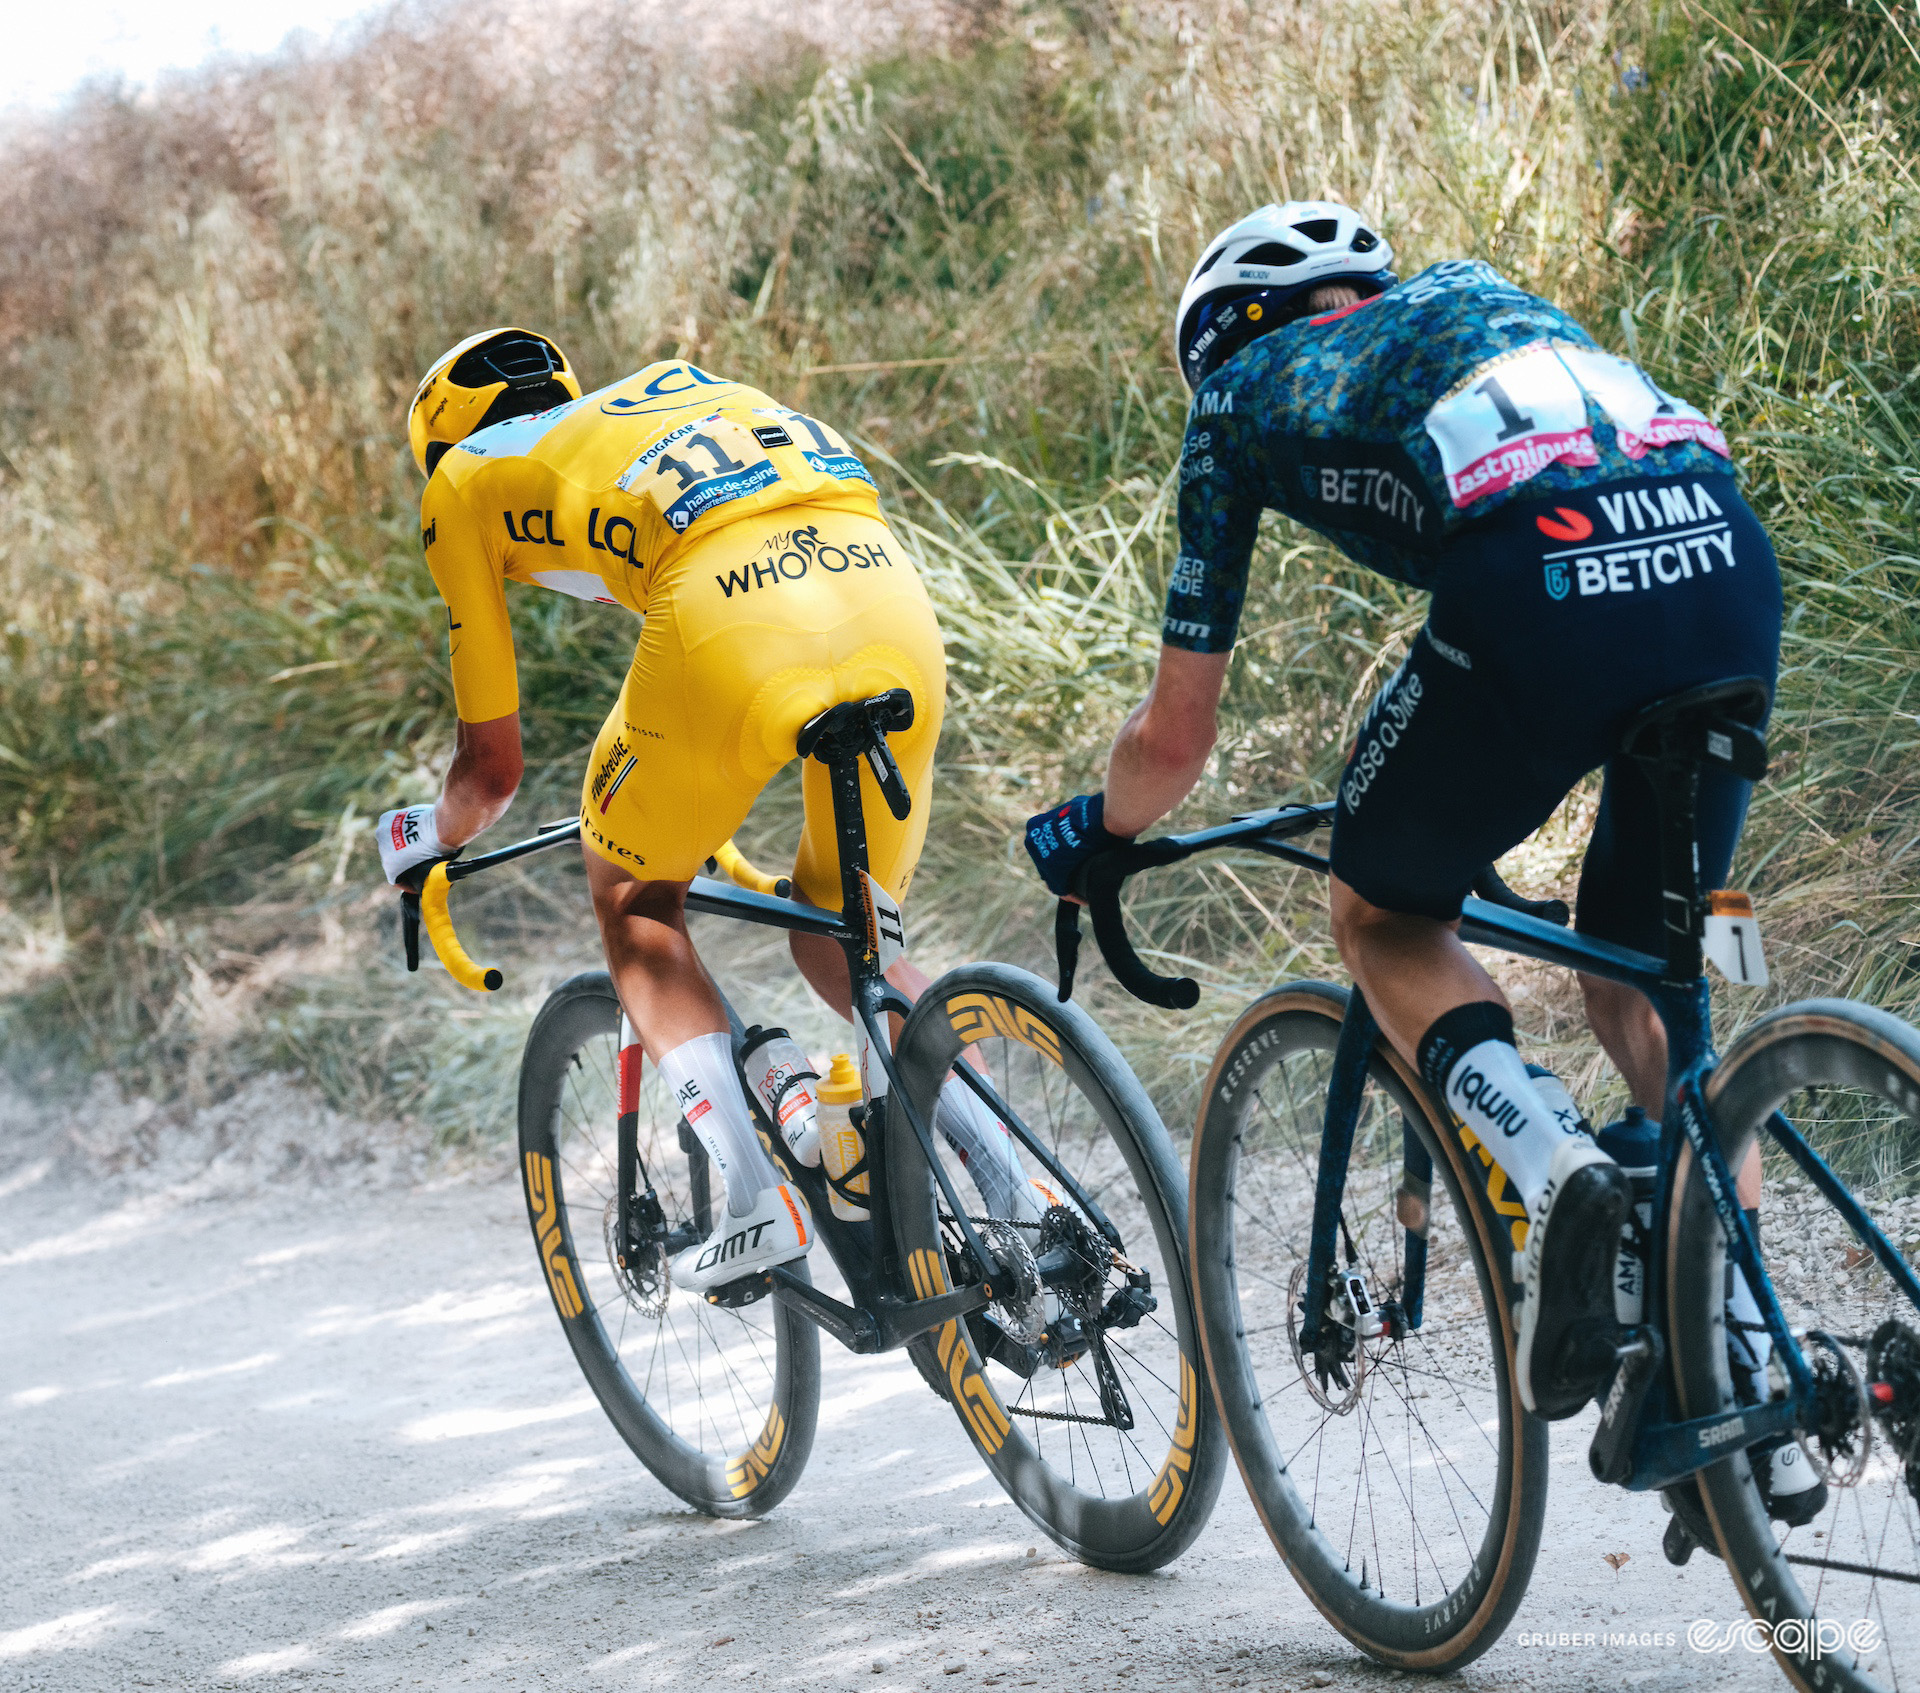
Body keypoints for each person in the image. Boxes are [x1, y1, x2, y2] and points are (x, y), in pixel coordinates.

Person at [1024, 205, 1792, 1458]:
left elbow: (1173, 742)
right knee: (1644, 986)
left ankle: (1559, 1170)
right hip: (1727, 568)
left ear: (1223, 335)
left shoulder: (1233, 399)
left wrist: (1094, 829)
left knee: (1378, 907)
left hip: (1543, 584)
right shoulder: (1475, 293)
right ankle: (1752, 1369)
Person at [378, 328, 1039, 1293]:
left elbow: (491, 770)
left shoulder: (461, 480)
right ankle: (1019, 1194)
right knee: (845, 931)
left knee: (637, 899)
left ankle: (750, 1199)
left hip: (726, 614)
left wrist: (422, 837)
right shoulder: (658, 401)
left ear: (442, 441)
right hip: (884, 587)